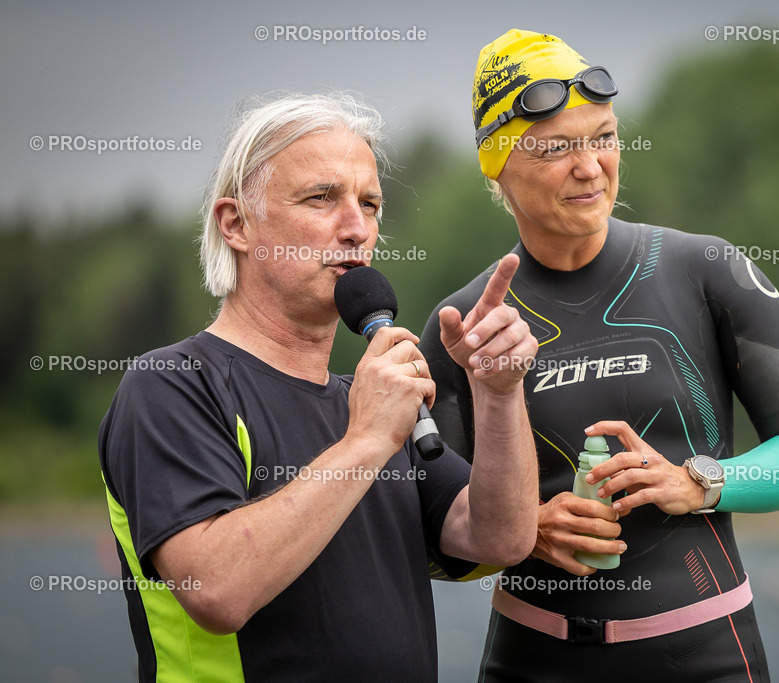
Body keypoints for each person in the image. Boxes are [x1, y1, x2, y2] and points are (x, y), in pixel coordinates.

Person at [419, 29, 779, 681]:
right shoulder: (464, 326)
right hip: (531, 660)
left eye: (604, 136)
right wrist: (522, 529)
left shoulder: (706, 269)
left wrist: (700, 481)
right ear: (498, 162)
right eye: (558, 148)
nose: (591, 166)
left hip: (706, 655)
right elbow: (432, 546)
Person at [98, 92, 539, 682]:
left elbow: (499, 536)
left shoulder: (368, 399)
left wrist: (501, 395)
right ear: (236, 224)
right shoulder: (173, 385)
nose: (357, 229)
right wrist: (364, 441)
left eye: (370, 204)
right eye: (321, 198)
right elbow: (218, 591)